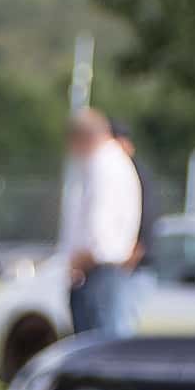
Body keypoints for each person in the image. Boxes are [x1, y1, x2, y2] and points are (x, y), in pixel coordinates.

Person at [56, 105, 143, 344]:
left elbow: (98, 221)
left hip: (98, 269)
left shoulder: (102, 164)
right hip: (100, 267)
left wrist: (81, 259)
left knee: (98, 345)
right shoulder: (112, 161)